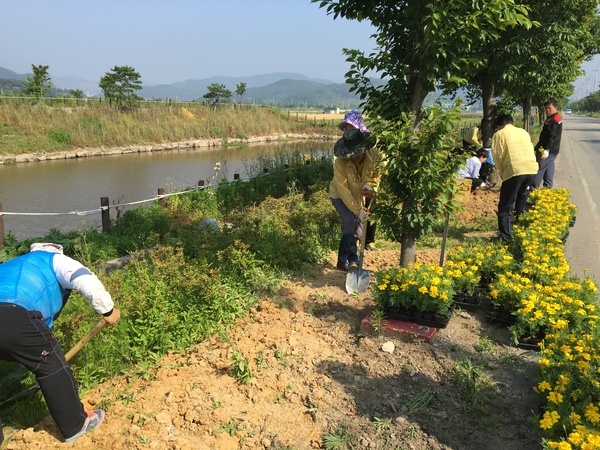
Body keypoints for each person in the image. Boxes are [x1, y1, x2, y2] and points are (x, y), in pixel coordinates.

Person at [0, 243, 120, 443]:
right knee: (51, 365)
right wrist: (108, 310)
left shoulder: (10, 265)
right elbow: (84, 278)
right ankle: (76, 425)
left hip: (10, 314)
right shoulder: (55, 260)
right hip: (15, 313)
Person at [329, 129, 380, 271]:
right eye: (352, 154)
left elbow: (377, 175)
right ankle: (353, 259)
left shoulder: (374, 154)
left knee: (357, 229)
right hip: (339, 195)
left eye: (358, 152)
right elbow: (343, 189)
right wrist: (358, 210)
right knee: (349, 220)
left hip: (359, 196)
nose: (356, 156)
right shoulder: (340, 162)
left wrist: (370, 186)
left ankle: (341, 261)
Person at [491, 114, 539, 241]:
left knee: (506, 204)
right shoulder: (523, 132)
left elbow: (497, 155)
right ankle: (520, 225)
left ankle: (506, 237)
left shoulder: (499, 134)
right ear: (512, 123)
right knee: (522, 196)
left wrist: (503, 172)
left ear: (499, 126)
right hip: (532, 168)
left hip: (514, 170)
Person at [337, 110, 378, 250]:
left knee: (371, 209)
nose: (349, 129)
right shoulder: (346, 148)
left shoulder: (370, 146)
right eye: (347, 127)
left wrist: (371, 186)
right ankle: (354, 247)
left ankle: (368, 241)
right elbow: (342, 183)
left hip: (368, 182)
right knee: (356, 215)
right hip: (353, 184)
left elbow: (375, 169)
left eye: (351, 126)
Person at [530, 99, 563, 189]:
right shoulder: (553, 118)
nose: (547, 110)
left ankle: (533, 188)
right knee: (549, 165)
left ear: (556, 108)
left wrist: (547, 149)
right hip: (552, 149)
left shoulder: (554, 119)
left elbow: (552, 136)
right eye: (546, 109)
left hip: (547, 148)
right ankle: (548, 186)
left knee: (540, 167)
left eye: (549, 108)